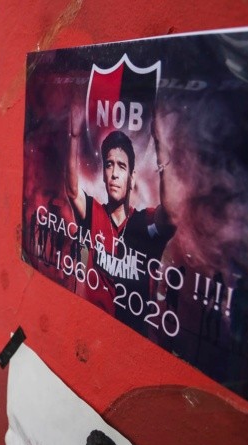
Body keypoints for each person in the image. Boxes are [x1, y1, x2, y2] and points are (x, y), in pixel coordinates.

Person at [65, 106, 176, 328]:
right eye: (109, 165)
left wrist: (161, 147)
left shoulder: (144, 222)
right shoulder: (95, 213)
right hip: (95, 326)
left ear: (131, 177)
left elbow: (171, 213)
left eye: (121, 166)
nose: (114, 173)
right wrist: (74, 138)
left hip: (132, 338)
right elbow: (73, 191)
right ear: (104, 176)